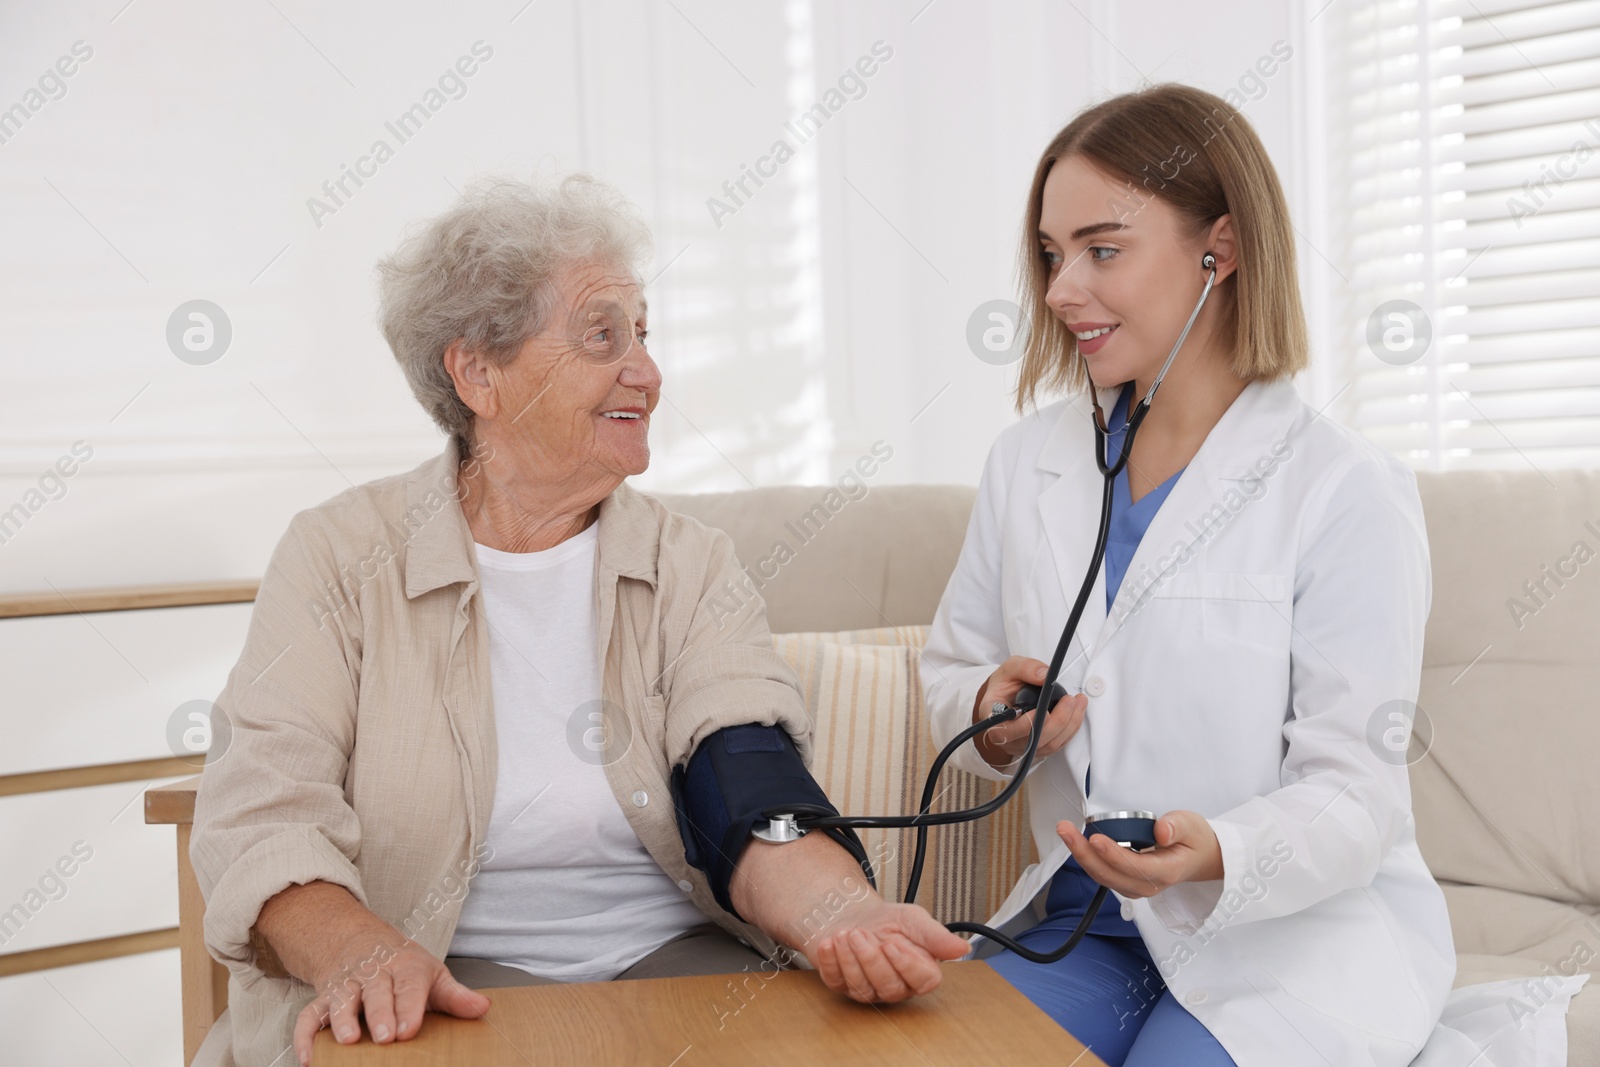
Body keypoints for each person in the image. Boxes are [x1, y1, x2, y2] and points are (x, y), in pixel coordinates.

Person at [190, 173, 968, 1067]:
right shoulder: (339, 556)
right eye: (603, 336)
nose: (647, 369)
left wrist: (846, 914)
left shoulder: (689, 561)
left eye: (643, 333)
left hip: (677, 964)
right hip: (444, 971)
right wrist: (354, 951)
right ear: (477, 371)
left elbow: (746, 775)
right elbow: (261, 811)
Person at [920, 84, 1456, 1066]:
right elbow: (953, 667)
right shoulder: (1026, 462)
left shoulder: (1343, 488)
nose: (1057, 290)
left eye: (1101, 249)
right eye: (1049, 255)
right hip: (1081, 921)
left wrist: (1218, 849)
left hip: (1282, 939)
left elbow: (1356, 792)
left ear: (1221, 249)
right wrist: (991, 716)